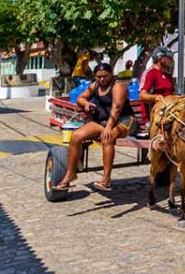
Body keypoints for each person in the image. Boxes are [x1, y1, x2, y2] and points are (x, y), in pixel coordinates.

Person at [52, 63, 136, 193]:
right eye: (99, 77)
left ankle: (106, 180)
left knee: (107, 138)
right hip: (101, 121)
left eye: (105, 76)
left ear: (111, 75)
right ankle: (70, 174)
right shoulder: (94, 85)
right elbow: (80, 98)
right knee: (75, 136)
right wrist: (85, 104)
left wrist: (109, 127)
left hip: (123, 120)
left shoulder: (118, 86)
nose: (102, 79)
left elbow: (117, 108)